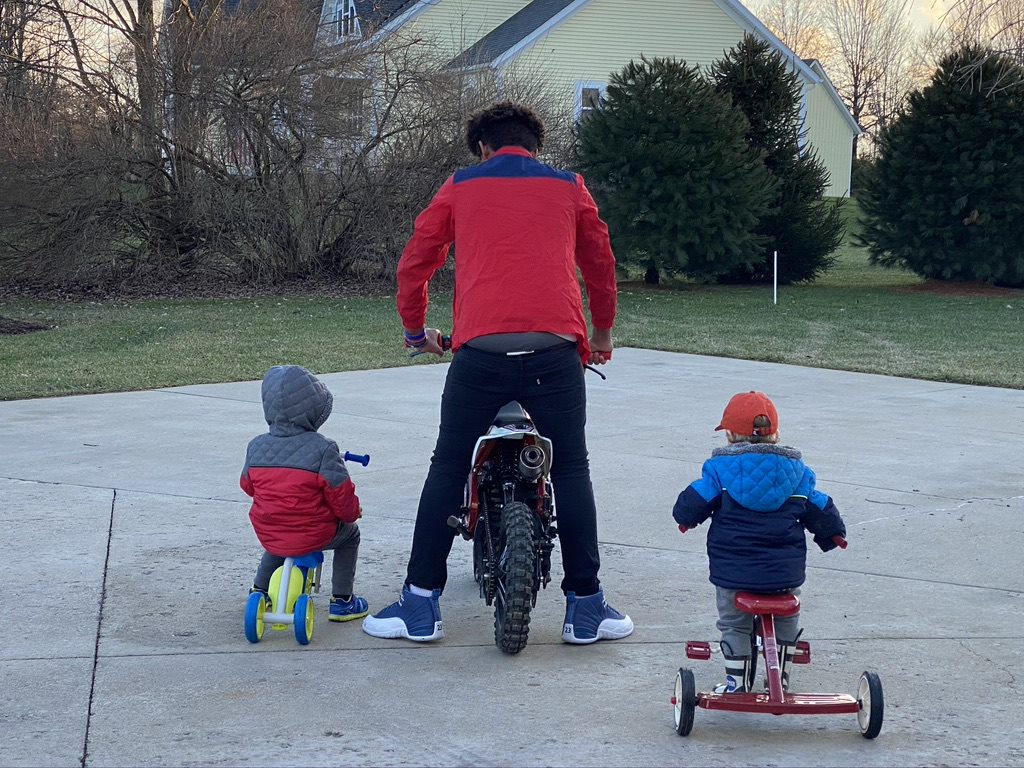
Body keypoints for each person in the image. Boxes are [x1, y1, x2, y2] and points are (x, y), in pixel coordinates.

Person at [362, 101, 633, 645]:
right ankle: (586, 606)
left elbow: (416, 262)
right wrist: (601, 333)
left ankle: (419, 604)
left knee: (447, 465)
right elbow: (600, 263)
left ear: (484, 148)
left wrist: (417, 332)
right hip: (555, 352)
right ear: (534, 146)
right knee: (572, 468)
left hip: (480, 354)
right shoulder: (568, 186)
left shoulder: (462, 185)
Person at [672, 391, 846, 692]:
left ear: (729, 434)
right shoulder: (800, 474)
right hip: (783, 574)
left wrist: (685, 519)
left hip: (733, 573)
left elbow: (692, 503)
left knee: (734, 623)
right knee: (787, 614)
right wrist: (833, 534)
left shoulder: (718, 472)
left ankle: (736, 682)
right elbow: (820, 507)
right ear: (776, 433)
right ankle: (781, 673)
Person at [242, 365, 369, 622]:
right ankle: (342, 600)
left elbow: (247, 485)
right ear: (313, 410)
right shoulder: (324, 449)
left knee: (280, 541)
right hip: (315, 532)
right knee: (350, 535)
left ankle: (260, 590)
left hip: (270, 529)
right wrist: (353, 513)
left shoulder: (256, 446)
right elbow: (341, 496)